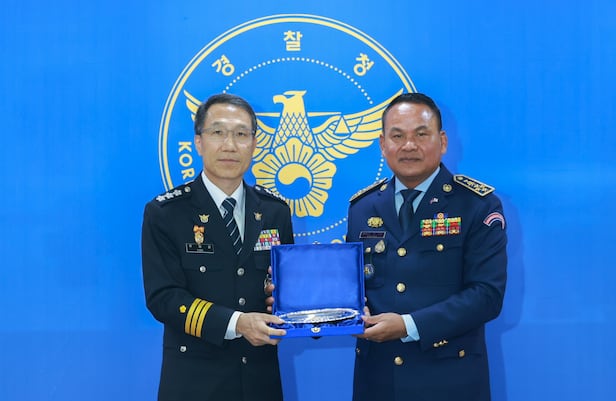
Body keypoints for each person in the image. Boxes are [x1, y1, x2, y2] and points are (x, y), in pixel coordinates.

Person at [346, 92, 507, 401]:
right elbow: (351, 287)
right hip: (377, 381)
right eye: (397, 136)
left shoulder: (477, 205)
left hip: (450, 381)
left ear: (442, 141)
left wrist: (408, 325)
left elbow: (487, 295)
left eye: (421, 134)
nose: (409, 145)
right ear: (382, 144)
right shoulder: (362, 208)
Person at [141, 93, 293, 401]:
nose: (230, 145)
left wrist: (295, 304)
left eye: (241, 134)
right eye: (218, 132)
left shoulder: (275, 211)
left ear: (254, 143)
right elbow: (163, 298)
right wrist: (238, 323)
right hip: (194, 383)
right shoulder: (166, 213)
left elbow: (286, 289)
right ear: (199, 142)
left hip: (260, 383)